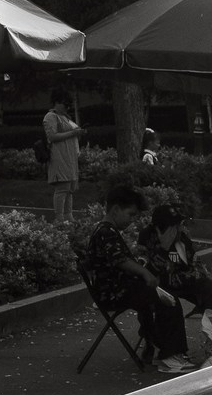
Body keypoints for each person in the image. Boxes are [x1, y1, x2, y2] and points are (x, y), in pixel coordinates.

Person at [80, 181, 193, 373]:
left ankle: (160, 348)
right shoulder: (105, 232)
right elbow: (120, 260)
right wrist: (145, 273)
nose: (132, 220)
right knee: (169, 302)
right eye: (130, 214)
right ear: (115, 209)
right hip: (115, 291)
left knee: (159, 298)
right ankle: (170, 356)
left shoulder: (107, 231)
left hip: (119, 288)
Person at [43, 93, 83, 223]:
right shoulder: (51, 116)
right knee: (62, 188)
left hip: (70, 157)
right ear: (57, 102)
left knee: (70, 189)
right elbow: (52, 137)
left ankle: (68, 216)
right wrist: (73, 133)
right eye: (65, 104)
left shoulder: (65, 117)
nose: (67, 107)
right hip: (59, 157)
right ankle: (59, 217)